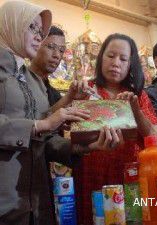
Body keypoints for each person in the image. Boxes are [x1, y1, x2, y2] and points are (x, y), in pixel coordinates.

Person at [0, 2, 102, 225]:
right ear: (11, 24)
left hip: (36, 202)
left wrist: (78, 147)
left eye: (41, 31)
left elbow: (44, 141)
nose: (38, 36)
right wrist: (40, 125)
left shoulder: (34, 81)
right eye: (32, 28)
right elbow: (41, 127)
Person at [74, 33, 157, 225]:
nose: (116, 63)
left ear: (131, 64)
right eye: (110, 56)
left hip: (129, 177)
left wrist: (135, 109)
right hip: (91, 175)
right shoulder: (84, 90)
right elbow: (70, 136)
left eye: (123, 59)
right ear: (101, 57)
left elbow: (154, 136)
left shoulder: (138, 95)